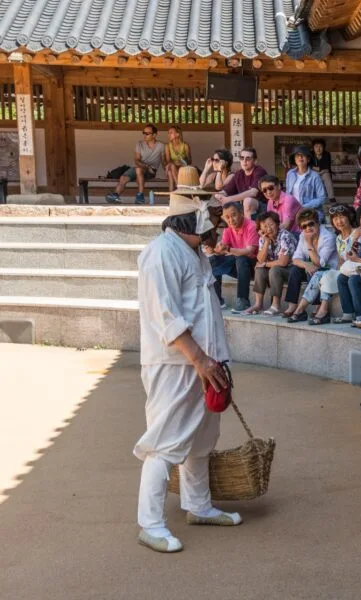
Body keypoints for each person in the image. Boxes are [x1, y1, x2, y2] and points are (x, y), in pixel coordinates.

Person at [134, 192, 240, 553]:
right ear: (192, 217)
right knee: (165, 441)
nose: (216, 220)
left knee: (201, 440)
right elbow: (166, 315)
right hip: (177, 363)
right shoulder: (160, 253)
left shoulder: (196, 253)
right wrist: (199, 359)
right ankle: (150, 523)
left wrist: (214, 360)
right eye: (210, 214)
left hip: (207, 361)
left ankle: (198, 506)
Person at [281, 209, 338, 323]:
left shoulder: (328, 237)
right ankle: (293, 305)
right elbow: (295, 258)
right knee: (295, 270)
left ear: (318, 222)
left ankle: (308, 308)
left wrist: (309, 244)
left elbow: (319, 263)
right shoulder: (303, 235)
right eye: (304, 226)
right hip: (311, 268)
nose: (308, 228)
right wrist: (306, 264)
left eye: (311, 224)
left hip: (328, 269)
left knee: (317, 272)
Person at [242, 211, 297, 316]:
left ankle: (275, 305)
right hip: (276, 268)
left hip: (291, 269)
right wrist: (266, 243)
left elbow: (283, 262)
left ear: (277, 224)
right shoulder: (264, 238)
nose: (268, 229)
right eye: (265, 226)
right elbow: (260, 260)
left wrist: (265, 264)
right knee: (259, 269)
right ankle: (258, 304)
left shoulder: (285, 236)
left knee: (274, 269)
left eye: (271, 224)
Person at [210, 201, 259, 313]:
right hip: (238, 266)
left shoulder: (252, 226)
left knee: (241, 259)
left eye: (234, 215)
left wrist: (227, 249)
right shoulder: (228, 229)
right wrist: (215, 250)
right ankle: (218, 300)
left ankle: (243, 301)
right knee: (213, 260)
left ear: (241, 213)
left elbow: (249, 251)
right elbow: (222, 249)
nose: (231, 220)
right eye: (227, 217)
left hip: (254, 267)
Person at [106, 124, 165, 204]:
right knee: (123, 177)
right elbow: (137, 160)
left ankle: (140, 196)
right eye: (143, 133)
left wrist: (167, 171)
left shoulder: (161, 146)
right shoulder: (139, 144)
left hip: (151, 171)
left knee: (138, 170)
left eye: (147, 133)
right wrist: (146, 166)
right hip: (139, 167)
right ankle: (115, 195)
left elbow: (164, 161)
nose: (144, 135)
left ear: (154, 135)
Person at [215, 147, 267, 221]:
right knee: (222, 204)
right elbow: (226, 191)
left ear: (255, 161)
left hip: (262, 207)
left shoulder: (259, 171)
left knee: (248, 201)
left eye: (248, 158)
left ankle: (248, 231)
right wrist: (219, 195)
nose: (244, 161)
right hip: (244, 207)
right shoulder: (239, 173)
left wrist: (228, 199)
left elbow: (253, 192)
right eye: (242, 158)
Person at [284, 145, 327, 218]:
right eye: (297, 155)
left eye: (303, 155)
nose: (300, 157)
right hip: (293, 211)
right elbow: (288, 194)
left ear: (308, 159)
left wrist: (303, 207)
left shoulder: (315, 176)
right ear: (294, 159)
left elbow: (322, 198)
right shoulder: (290, 174)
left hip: (311, 212)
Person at [164, 125, 191, 192]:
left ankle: (171, 197)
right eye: (168, 133)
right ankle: (179, 188)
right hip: (173, 166)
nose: (168, 135)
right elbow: (168, 161)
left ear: (177, 134)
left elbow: (189, 161)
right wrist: (174, 163)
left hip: (183, 167)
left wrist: (181, 162)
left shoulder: (185, 146)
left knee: (171, 171)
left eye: (171, 133)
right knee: (171, 169)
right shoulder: (167, 146)